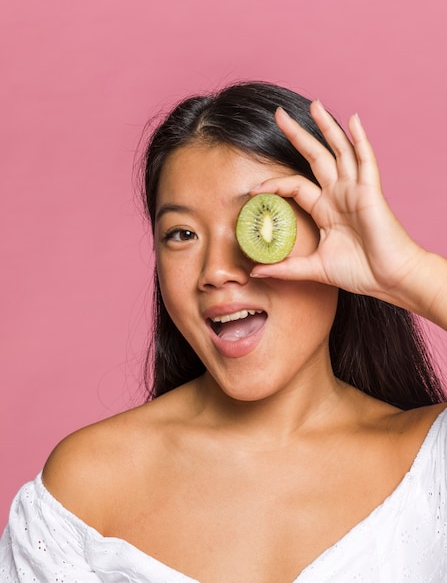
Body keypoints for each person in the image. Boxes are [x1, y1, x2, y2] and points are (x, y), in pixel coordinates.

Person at [1, 81, 447, 582]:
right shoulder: (86, 491)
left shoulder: (433, 466)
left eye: (254, 221)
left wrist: (407, 274)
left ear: (334, 236)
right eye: (182, 234)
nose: (216, 270)